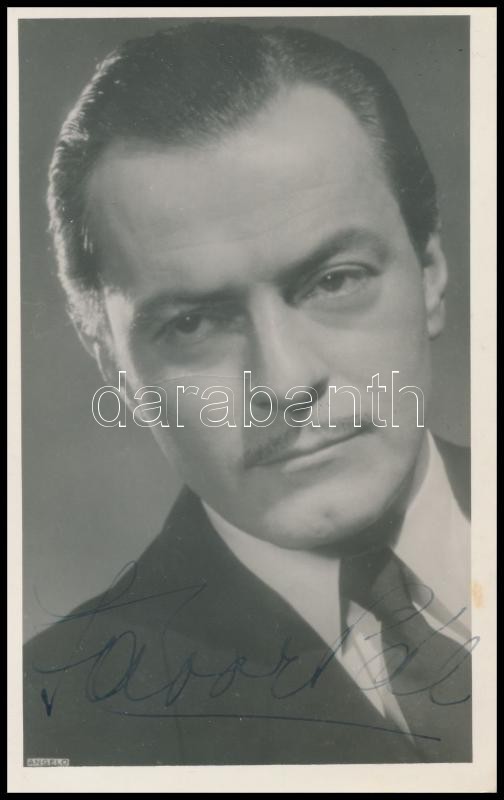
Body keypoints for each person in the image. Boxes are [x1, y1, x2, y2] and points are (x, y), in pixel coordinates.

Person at [23, 21, 472, 766]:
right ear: (113, 364)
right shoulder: (47, 725)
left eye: (335, 281)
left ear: (430, 273)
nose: (286, 383)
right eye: (194, 323)